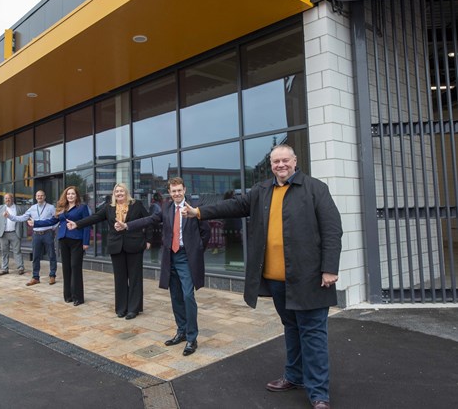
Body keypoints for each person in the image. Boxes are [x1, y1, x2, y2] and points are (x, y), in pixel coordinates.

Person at [183, 144, 342, 409]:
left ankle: (319, 394)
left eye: (285, 160)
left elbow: (332, 230)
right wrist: (199, 212)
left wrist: (330, 268)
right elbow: (234, 206)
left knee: (313, 334)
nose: (280, 165)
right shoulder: (262, 190)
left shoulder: (316, 188)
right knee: (291, 329)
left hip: (309, 278)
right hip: (278, 280)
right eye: (275, 161)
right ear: (271, 165)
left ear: (295, 160)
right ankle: (294, 376)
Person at [115, 177, 210, 356]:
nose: (176, 194)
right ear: (170, 192)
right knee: (175, 296)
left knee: (188, 295)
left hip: (186, 257)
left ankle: (192, 338)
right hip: (170, 257)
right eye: (173, 191)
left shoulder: (193, 208)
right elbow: (149, 220)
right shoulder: (166, 208)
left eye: (179, 190)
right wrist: (127, 225)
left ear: (184, 189)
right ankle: (181, 331)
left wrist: (196, 250)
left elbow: (206, 232)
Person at [67, 183, 152, 319]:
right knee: (120, 278)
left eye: (121, 191)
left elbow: (148, 221)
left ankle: (133, 309)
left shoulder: (137, 205)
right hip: (116, 246)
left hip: (135, 245)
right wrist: (77, 224)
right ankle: (121, 308)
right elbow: (94, 218)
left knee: (135, 277)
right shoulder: (108, 208)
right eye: (117, 191)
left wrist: (148, 240)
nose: (119, 193)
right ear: (114, 194)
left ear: (126, 192)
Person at [31, 186, 90, 306]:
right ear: (66, 196)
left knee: (75, 267)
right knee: (66, 268)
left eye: (73, 194)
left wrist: (86, 242)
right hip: (63, 240)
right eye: (68, 194)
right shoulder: (62, 208)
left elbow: (87, 225)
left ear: (76, 196)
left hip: (77, 241)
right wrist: (36, 223)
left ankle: (78, 297)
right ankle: (68, 295)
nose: (70, 196)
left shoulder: (82, 208)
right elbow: (52, 221)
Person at [6, 190, 58, 286]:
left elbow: (56, 220)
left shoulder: (51, 207)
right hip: (36, 234)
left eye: (41, 195)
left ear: (45, 196)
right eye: (38, 196)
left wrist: (52, 230)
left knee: (51, 255)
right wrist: (10, 216)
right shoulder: (32, 208)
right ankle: (35, 277)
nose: (39, 197)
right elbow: (22, 218)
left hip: (48, 234)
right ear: (35, 197)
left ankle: (52, 275)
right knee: (35, 257)